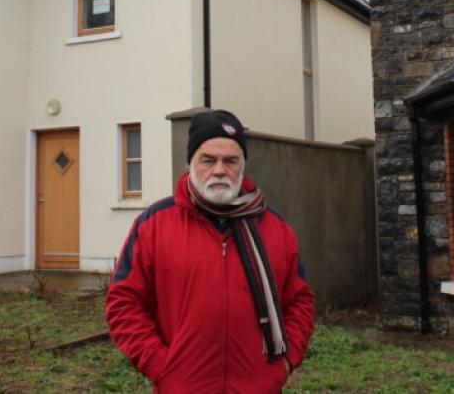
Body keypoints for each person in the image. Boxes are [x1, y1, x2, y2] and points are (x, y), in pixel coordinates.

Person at [106, 110, 315, 393]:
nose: (219, 170)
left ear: (243, 166)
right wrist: (160, 365)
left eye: (230, 161)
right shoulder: (154, 224)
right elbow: (123, 302)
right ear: (190, 163)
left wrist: (286, 363)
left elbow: (300, 302)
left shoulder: (275, 228)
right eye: (208, 160)